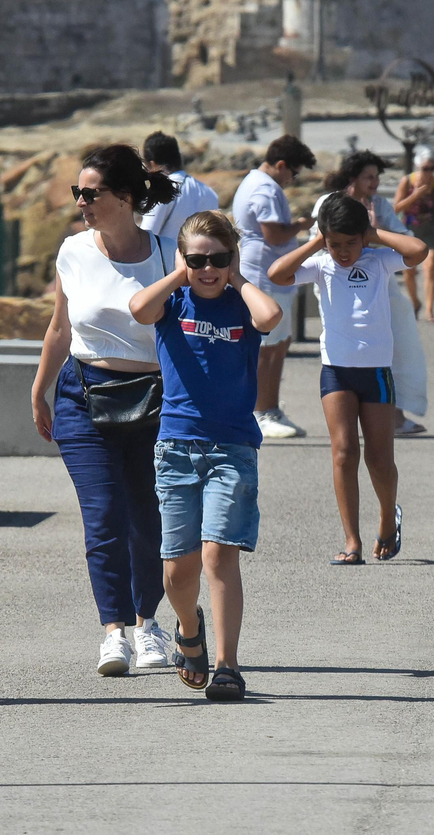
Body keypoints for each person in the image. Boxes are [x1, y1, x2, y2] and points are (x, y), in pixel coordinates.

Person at [30, 144, 182, 676]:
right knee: (103, 516)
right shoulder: (73, 250)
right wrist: (40, 386)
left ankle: (148, 625)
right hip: (82, 393)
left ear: (125, 197)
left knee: (149, 519)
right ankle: (112, 631)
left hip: (155, 400)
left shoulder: (170, 254)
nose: (80, 202)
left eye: (90, 193)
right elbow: (59, 326)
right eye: (77, 192)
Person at [128, 210, 283, 702]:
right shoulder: (173, 302)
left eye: (218, 258)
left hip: (232, 447)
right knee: (177, 569)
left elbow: (271, 317)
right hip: (176, 448)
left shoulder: (240, 304)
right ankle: (188, 628)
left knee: (219, 555)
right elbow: (138, 309)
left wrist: (237, 278)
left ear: (232, 258)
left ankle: (227, 665)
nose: (208, 268)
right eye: (199, 260)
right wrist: (180, 271)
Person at [268, 195, 428, 564]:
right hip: (336, 370)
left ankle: (388, 517)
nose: (342, 252)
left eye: (350, 243)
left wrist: (374, 234)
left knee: (379, 457)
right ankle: (352, 540)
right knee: (343, 452)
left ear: (363, 237)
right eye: (335, 243)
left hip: (376, 371)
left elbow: (418, 250)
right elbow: (278, 274)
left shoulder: (379, 261)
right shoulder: (321, 264)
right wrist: (316, 240)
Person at [322, 150, 430, 436]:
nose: (375, 182)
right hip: (341, 289)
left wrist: (372, 232)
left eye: (377, 177)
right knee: (348, 354)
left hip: (381, 284)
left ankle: (395, 414)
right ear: (353, 178)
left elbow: (409, 243)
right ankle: (349, 420)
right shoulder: (330, 204)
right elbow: (319, 243)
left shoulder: (379, 205)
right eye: (369, 177)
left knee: (398, 348)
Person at [232, 135, 318, 440]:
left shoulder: (254, 182)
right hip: (264, 275)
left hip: (266, 274)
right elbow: (274, 235)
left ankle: (268, 408)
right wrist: (301, 225)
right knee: (268, 348)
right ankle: (262, 411)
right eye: (292, 173)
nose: (292, 179)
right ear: (281, 165)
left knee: (277, 345)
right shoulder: (266, 189)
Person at [140, 131, 220, 243]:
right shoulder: (209, 193)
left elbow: (146, 237)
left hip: (169, 259)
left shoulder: (161, 192)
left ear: (153, 164)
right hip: (201, 258)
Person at [395, 146, 434, 321]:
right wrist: (416, 195)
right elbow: (397, 207)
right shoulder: (407, 182)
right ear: (418, 166)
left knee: (430, 267)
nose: (429, 172)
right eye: (425, 168)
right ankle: (415, 302)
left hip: (430, 229)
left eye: (432, 168)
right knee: (409, 271)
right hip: (410, 230)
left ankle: (430, 310)